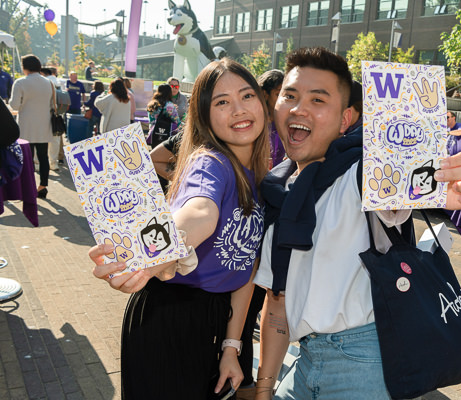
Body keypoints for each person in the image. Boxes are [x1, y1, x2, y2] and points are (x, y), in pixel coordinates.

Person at [253, 47, 461, 400]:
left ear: (345, 120)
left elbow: (400, 187)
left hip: (364, 367)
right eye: (291, 95)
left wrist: (449, 188)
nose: (299, 108)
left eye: (318, 99)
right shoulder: (276, 190)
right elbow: (276, 306)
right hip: (304, 362)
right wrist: (265, 388)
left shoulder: (364, 174)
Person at [87, 58, 270, 398]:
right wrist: (151, 253)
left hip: (215, 322)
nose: (238, 110)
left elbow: (247, 268)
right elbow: (200, 212)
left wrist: (231, 347)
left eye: (247, 96)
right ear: (205, 115)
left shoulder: (256, 179)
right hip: (169, 319)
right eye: (221, 102)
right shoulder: (210, 162)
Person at [8, 54, 53, 199]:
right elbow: (53, 104)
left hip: (26, 125)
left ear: (25, 67)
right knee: (43, 156)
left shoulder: (20, 82)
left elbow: (14, 105)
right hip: (44, 124)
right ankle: (43, 186)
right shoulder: (48, 83)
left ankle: (28, 187)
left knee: (27, 158)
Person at [257, 69, 285, 169]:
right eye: (278, 94)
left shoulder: (286, 121)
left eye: (285, 95)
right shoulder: (256, 122)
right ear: (265, 94)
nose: (282, 99)